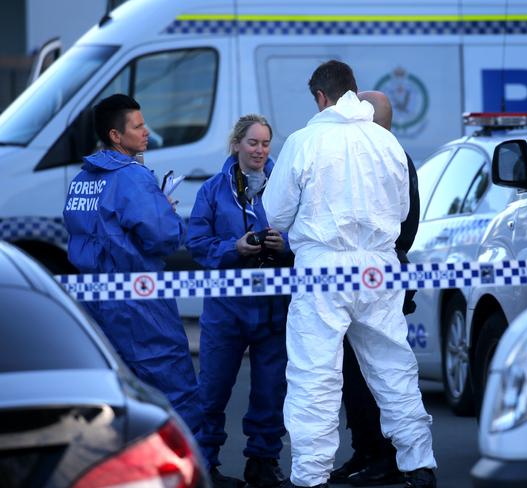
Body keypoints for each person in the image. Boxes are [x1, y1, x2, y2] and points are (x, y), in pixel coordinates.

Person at [263, 61, 437, 488]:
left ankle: (310, 476)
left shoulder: (304, 142)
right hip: (379, 266)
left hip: (323, 267)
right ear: (353, 92)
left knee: (315, 373)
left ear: (321, 97)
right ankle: (419, 464)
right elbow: (401, 211)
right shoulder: (387, 142)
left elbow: (275, 213)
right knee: (393, 367)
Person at [62, 93, 203, 439]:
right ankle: (195, 467)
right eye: (138, 126)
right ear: (115, 135)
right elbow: (164, 237)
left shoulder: (82, 178)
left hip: (94, 303)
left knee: (115, 396)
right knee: (174, 387)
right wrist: (167, 211)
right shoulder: (132, 177)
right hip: (140, 302)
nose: (146, 132)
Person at [186, 114, 291, 488]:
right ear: (236, 145)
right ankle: (204, 465)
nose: (260, 150)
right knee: (211, 392)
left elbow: (309, 234)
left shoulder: (287, 186)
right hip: (226, 310)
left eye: (265, 143)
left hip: (272, 308)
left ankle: (262, 463)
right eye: (253, 143)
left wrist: (285, 246)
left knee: (270, 391)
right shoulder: (213, 190)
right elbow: (196, 244)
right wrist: (233, 248)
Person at [330, 90, 420, 486]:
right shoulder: (368, 154)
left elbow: (406, 222)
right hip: (365, 277)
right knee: (353, 373)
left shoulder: (391, 156)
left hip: (380, 278)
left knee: (380, 374)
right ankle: (366, 449)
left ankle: (389, 457)